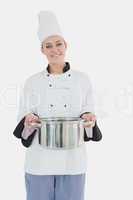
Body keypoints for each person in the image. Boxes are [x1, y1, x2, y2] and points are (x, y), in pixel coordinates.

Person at [14, 10, 100, 200]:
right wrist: (28, 121)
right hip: (39, 160)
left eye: (58, 44)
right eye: (49, 45)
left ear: (66, 45)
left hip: (73, 161)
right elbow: (22, 120)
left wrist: (89, 120)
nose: (55, 50)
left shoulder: (82, 79)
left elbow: (89, 114)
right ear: (42, 50)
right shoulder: (32, 82)